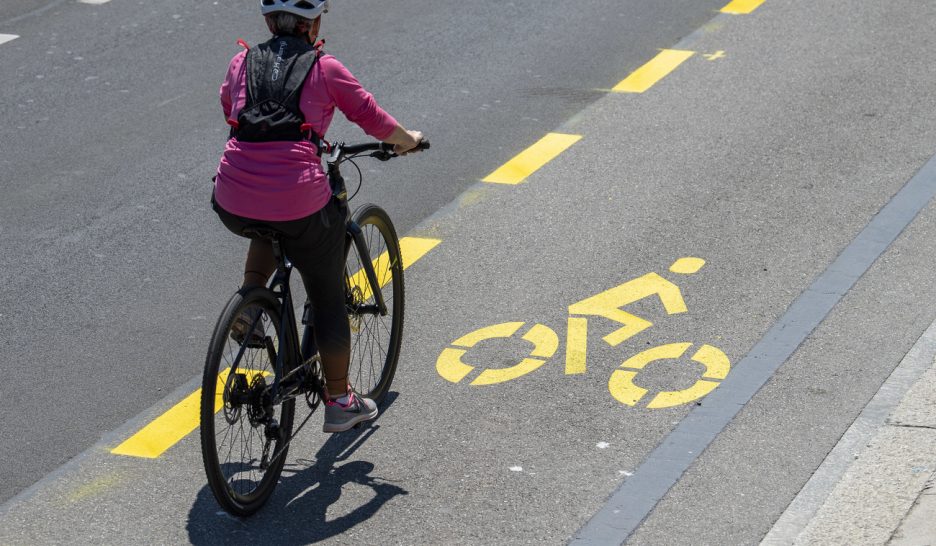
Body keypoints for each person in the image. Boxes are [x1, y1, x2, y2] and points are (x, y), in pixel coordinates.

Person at [212, 0, 423, 433]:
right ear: (315, 24)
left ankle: (250, 305)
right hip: (298, 198)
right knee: (328, 295)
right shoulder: (324, 68)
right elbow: (370, 116)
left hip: (232, 196)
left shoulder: (242, 61)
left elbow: (227, 105)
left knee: (266, 221)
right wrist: (407, 141)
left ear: (269, 22)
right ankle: (341, 400)